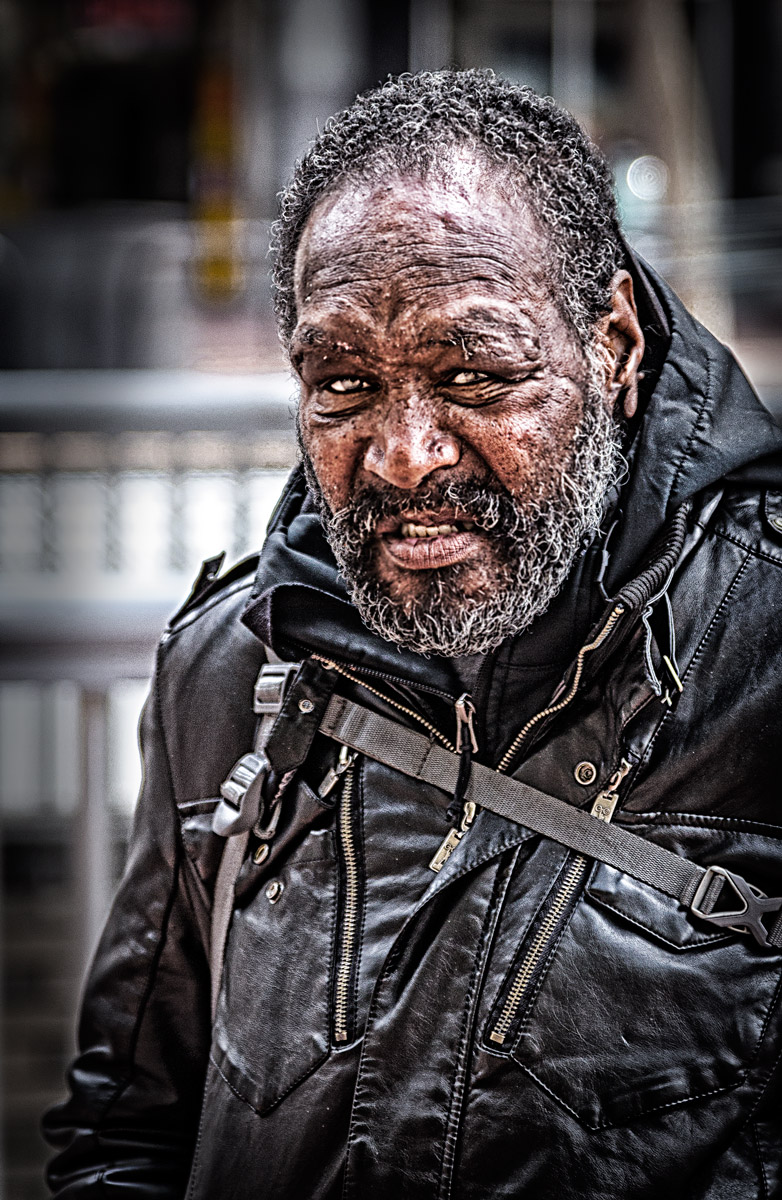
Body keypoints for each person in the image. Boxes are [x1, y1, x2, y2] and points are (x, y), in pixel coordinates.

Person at [44, 70, 782, 1199]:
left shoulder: (761, 659)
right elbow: (127, 1131)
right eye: (341, 384)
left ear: (614, 347)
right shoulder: (235, 668)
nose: (402, 457)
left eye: (473, 375)